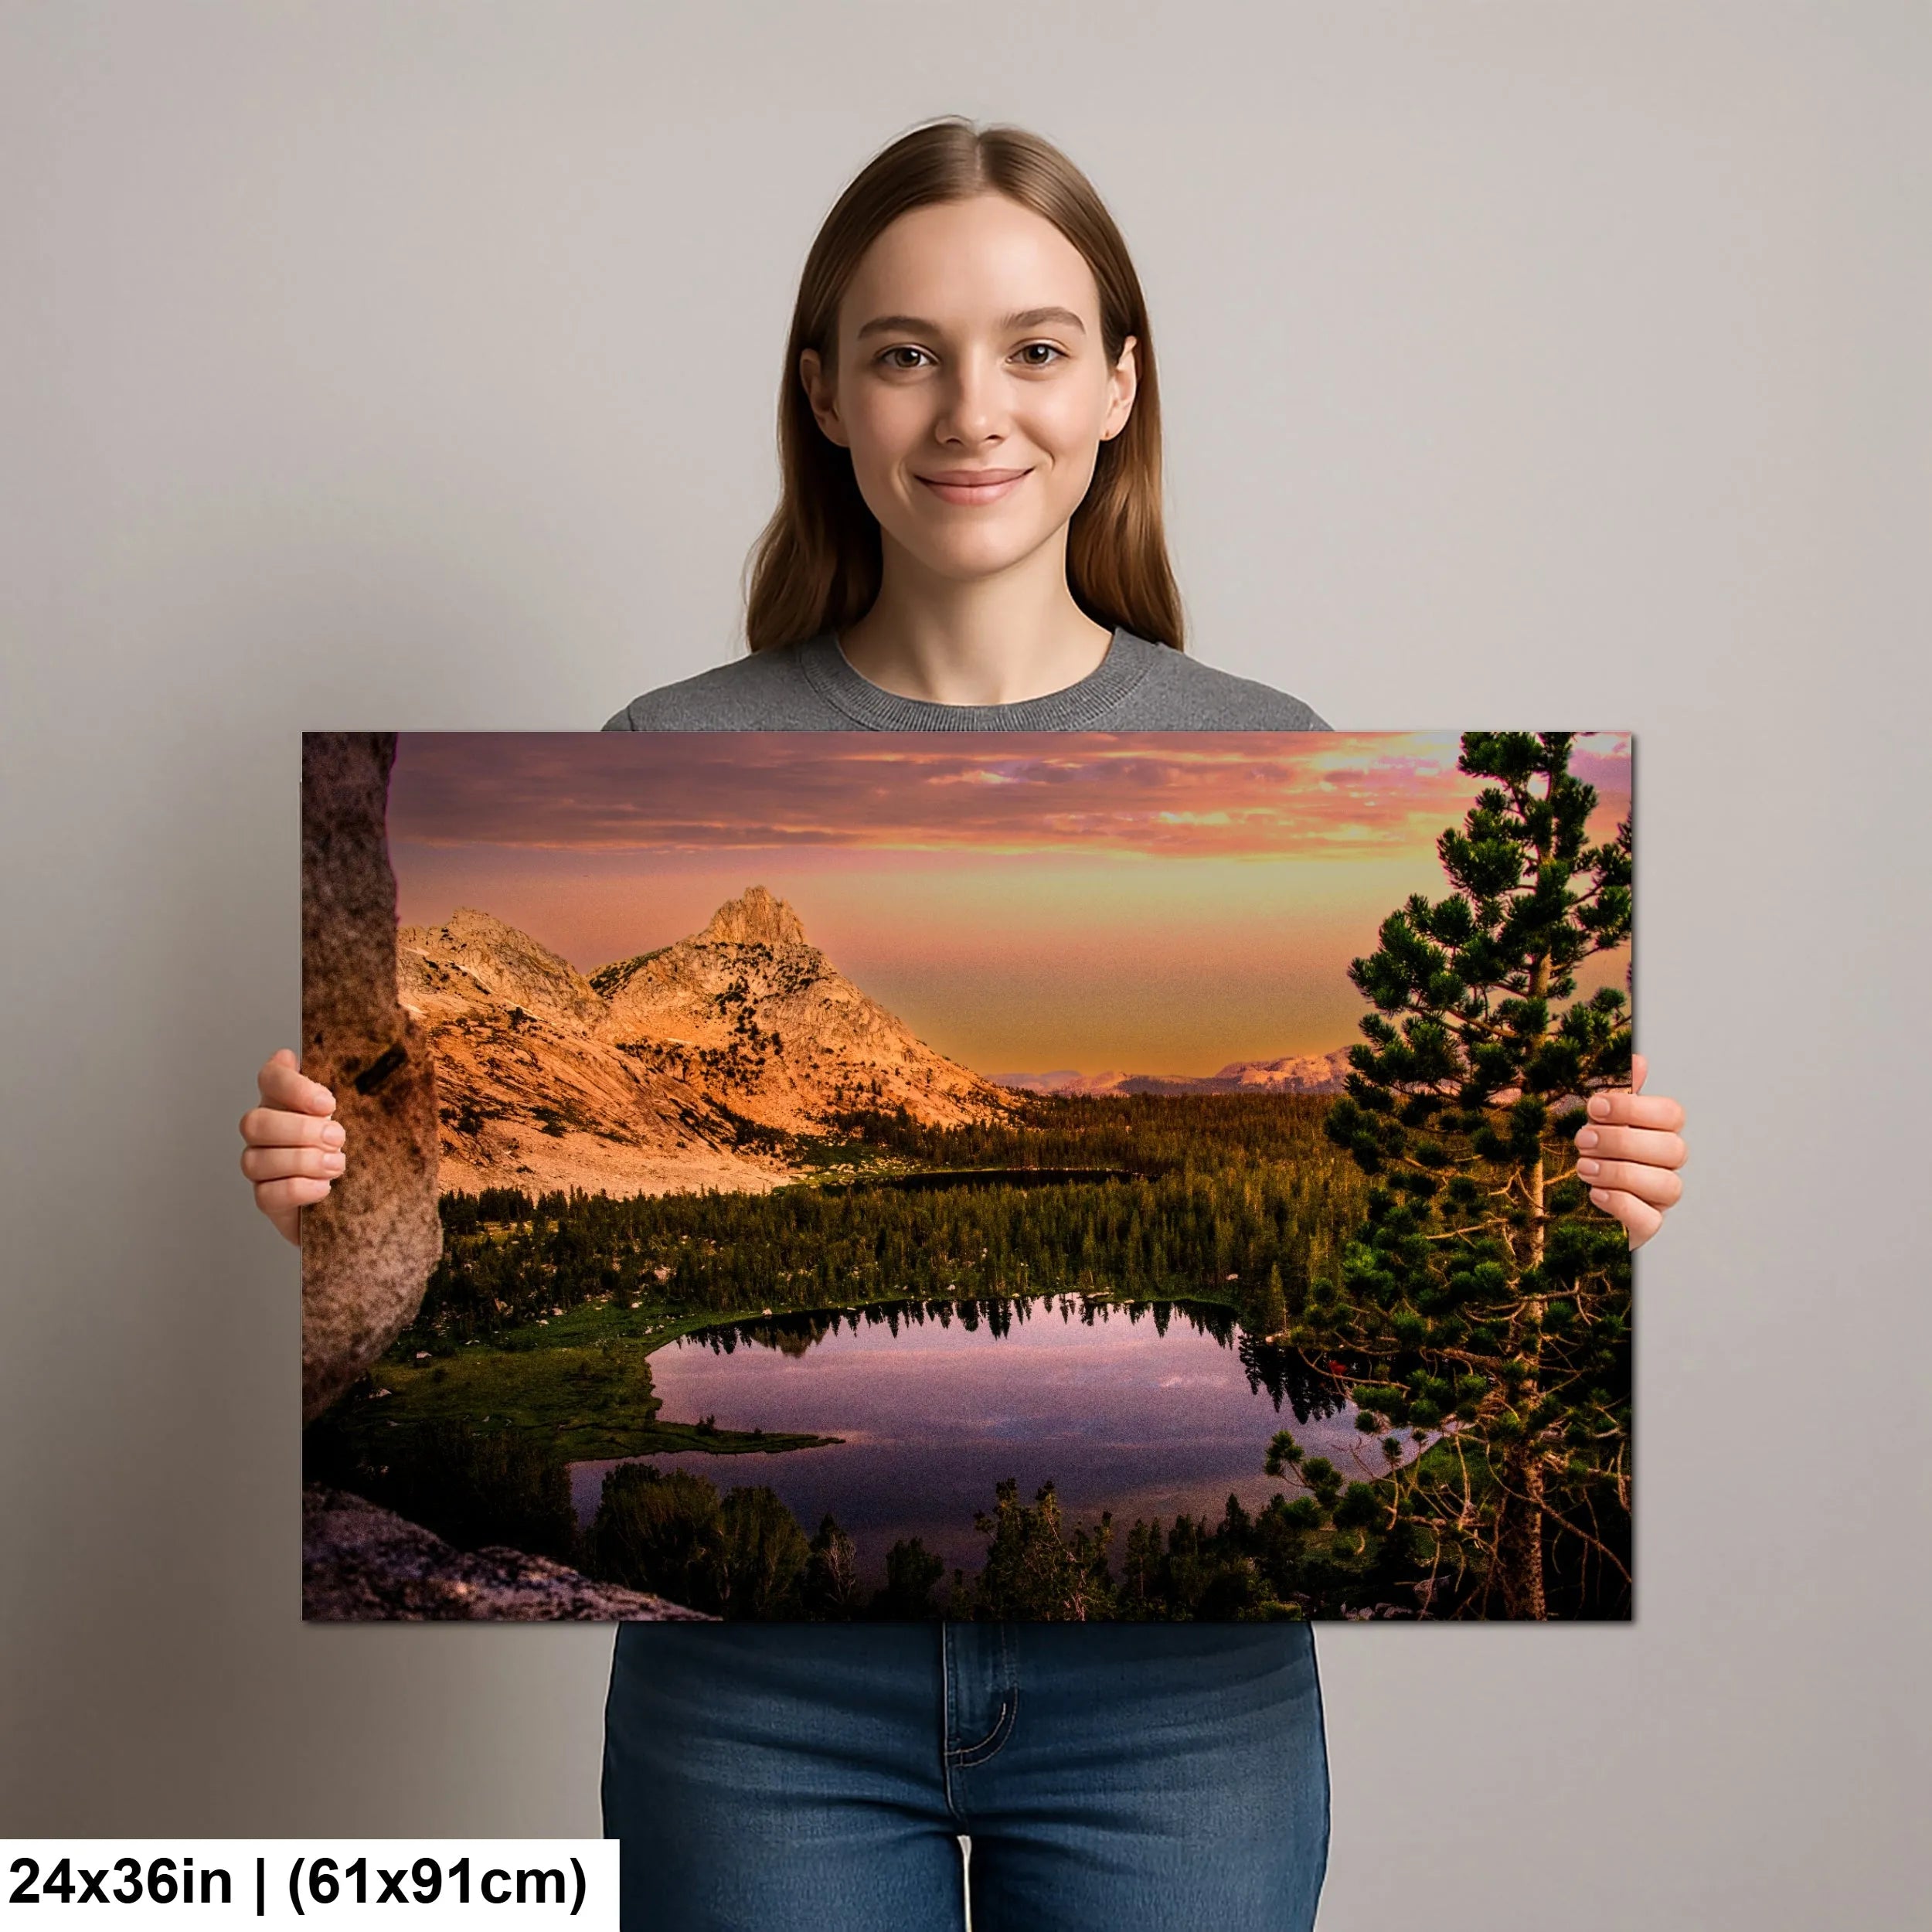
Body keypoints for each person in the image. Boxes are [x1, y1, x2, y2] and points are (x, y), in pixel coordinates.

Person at [242, 118, 1688, 1932]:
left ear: (1115, 389)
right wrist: (331, 1169)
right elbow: (431, 1157)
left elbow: (1445, 1141)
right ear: (826, 395)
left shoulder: (1266, 735)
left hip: (1186, 1709)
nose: (970, 409)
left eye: (1033, 346)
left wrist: (1584, 1174)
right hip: (753, 1700)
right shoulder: (670, 747)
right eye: (905, 351)